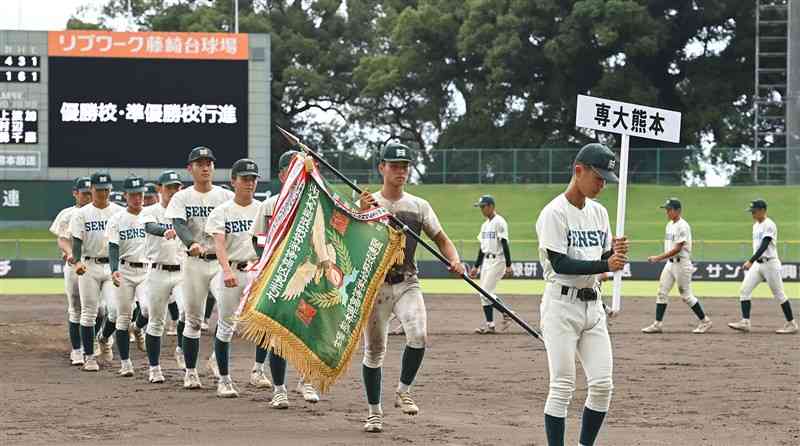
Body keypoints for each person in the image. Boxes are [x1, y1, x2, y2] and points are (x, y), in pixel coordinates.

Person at [359, 143, 465, 433]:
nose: (401, 171)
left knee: (418, 335)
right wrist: (362, 214)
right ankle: (373, 412)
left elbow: (442, 239)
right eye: (394, 165)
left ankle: (403, 390)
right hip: (375, 287)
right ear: (381, 167)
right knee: (374, 351)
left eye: (405, 165)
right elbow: (352, 242)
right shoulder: (367, 203)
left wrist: (455, 260)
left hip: (407, 281)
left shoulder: (419, 206)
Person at [534, 143, 628, 446]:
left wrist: (615, 253)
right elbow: (561, 263)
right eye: (598, 177)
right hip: (561, 306)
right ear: (579, 170)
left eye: (605, 179)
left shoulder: (599, 212)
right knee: (562, 386)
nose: (602, 184)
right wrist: (606, 262)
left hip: (593, 307)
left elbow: (602, 255)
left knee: (602, 385)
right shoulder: (553, 213)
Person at [249, 150, 319, 408]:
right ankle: (279, 388)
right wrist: (267, 267)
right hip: (278, 276)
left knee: (308, 331)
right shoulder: (271, 204)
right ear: (281, 175)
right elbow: (258, 239)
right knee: (278, 334)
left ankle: (306, 380)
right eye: (290, 169)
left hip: (308, 275)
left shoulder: (314, 203)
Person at [166, 146, 234, 389]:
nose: (205, 167)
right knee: (193, 320)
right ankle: (191, 371)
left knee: (227, 316)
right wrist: (191, 242)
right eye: (200, 163)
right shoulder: (182, 197)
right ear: (190, 168)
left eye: (209, 163)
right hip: (194, 263)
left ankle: (220, 366)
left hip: (220, 262)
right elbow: (179, 224)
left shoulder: (225, 197)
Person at [205, 158, 265, 398]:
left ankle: (258, 370)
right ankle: (224, 379)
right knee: (227, 326)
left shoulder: (261, 209)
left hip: (255, 270)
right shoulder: (223, 211)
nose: (250, 183)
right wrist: (226, 270)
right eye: (245, 178)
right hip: (232, 270)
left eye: (253, 178)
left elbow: (263, 241)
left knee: (263, 324)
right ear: (233, 181)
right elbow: (219, 244)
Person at [70, 172, 124, 371]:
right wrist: (76, 262)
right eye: (99, 189)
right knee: (89, 313)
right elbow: (77, 241)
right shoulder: (81, 213)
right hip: (89, 265)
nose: (103, 193)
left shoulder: (119, 212)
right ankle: (89, 357)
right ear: (91, 189)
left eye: (106, 189)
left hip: (112, 266)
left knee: (115, 311)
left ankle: (103, 337)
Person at [140, 170, 186, 383]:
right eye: (169, 187)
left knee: (186, 315)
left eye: (177, 187)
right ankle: (154, 368)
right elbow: (150, 227)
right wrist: (164, 231)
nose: (173, 191)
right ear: (160, 189)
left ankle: (181, 350)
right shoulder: (151, 210)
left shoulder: (185, 210)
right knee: (156, 321)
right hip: (157, 272)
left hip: (182, 271)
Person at [641, 198, 712, 334]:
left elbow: (678, 248)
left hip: (681, 264)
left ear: (678, 210)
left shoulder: (683, 226)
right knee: (662, 292)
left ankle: (705, 321)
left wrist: (658, 258)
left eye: (669, 209)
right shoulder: (669, 225)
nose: (667, 212)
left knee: (686, 296)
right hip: (670, 264)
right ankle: (657, 324)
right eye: (666, 209)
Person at [728, 199, 797, 334]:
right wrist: (754, 262)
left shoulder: (769, 225)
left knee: (779, 294)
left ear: (762, 211)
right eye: (751, 212)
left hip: (770, 263)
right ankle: (745, 322)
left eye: (754, 211)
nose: (752, 214)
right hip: (758, 265)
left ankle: (792, 324)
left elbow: (764, 245)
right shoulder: (755, 226)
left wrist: (750, 261)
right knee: (744, 290)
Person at [106, 175, 150, 377]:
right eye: (133, 195)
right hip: (125, 269)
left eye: (140, 194)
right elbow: (113, 246)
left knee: (147, 310)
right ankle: (125, 363)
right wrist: (114, 268)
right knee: (122, 318)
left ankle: (138, 328)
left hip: (147, 270)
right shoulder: (117, 219)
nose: (137, 198)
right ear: (125, 196)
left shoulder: (151, 215)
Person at [50, 176, 93, 365]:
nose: (88, 197)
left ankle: (94, 342)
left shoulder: (101, 212)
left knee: (100, 310)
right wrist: (69, 253)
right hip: (75, 266)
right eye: (84, 193)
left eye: (91, 193)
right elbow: (62, 238)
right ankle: (77, 350)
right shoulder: (67, 214)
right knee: (76, 308)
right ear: (75, 193)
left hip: (96, 264)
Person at [468, 195, 512, 334]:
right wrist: (476, 266)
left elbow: (504, 243)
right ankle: (490, 325)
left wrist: (509, 265)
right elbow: (482, 248)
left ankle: (507, 313)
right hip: (486, 261)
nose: (481, 209)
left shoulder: (500, 222)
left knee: (485, 292)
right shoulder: (485, 225)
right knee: (483, 293)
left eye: (483, 206)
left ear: (491, 206)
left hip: (498, 260)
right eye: (480, 207)